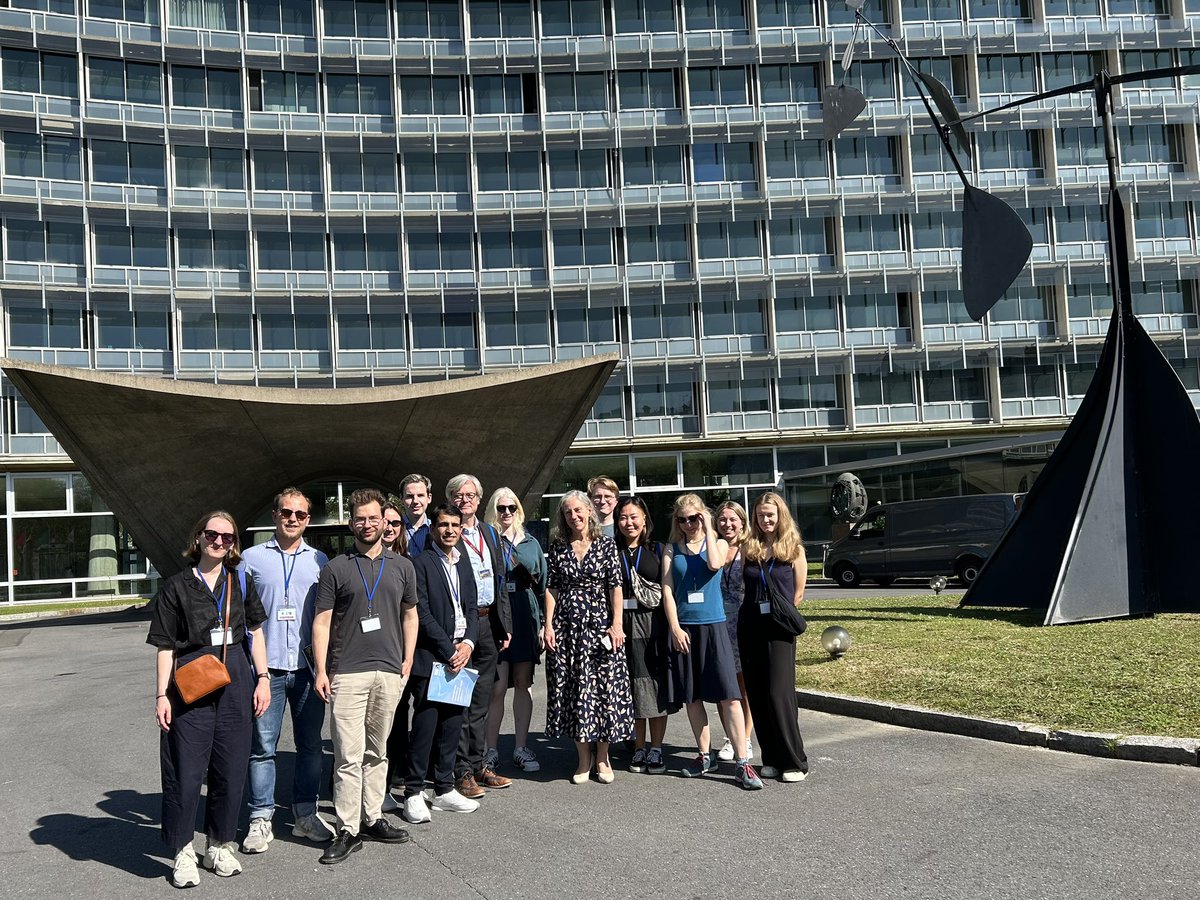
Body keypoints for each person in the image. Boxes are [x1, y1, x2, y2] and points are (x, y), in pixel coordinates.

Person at [148, 511, 271, 888]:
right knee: (185, 771)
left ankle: (219, 843)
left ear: (234, 543)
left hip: (235, 674)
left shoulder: (241, 581)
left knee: (230, 768)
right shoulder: (176, 586)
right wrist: (161, 694)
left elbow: (255, 632)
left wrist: (262, 678)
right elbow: (166, 646)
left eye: (228, 537)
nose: (219, 542)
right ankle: (183, 849)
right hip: (190, 676)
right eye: (213, 535)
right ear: (199, 537)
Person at [313, 488, 419, 864]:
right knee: (347, 755)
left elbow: (410, 615)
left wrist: (407, 660)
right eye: (361, 518)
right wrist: (322, 669)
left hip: (389, 672)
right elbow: (322, 621)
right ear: (351, 523)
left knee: (378, 752)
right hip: (348, 673)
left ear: (385, 521)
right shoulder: (336, 567)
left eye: (375, 518)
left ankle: (373, 817)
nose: (368, 524)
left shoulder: (403, 567)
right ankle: (347, 828)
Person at [241, 488, 334, 855]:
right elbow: (242, 615)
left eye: (300, 514)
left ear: (307, 519)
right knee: (262, 747)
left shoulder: (320, 560)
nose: (292, 518)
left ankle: (305, 814)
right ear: (275, 513)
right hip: (267, 671)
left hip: (308, 669)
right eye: (286, 512)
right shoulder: (250, 558)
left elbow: (327, 617)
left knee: (310, 746)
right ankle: (260, 818)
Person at [661, 494, 760, 790]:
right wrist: (675, 628)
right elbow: (668, 591)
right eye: (683, 519)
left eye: (694, 517)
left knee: (729, 695)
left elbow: (715, 565)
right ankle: (705, 755)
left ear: (703, 516)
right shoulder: (671, 549)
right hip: (685, 628)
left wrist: (708, 528)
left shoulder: (716, 543)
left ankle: (742, 762)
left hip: (714, 625)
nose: (688, 524)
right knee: (692, 696)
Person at [543, 490, 634, 784]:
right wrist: (548, 625)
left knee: (603, 691)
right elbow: (552, 588)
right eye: (569, 512)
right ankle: (583, 759)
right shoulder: (557, 548)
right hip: (568, 629)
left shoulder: (606, 546)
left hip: (600, 628)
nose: (574, 517)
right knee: (572, 691)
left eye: (579, 511)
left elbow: (615, 587)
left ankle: (604, 758)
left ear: (589, 512)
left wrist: (617, 624)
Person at [403, 504, 483, 823]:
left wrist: (468, 644)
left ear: (462, 528)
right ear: (433, 528)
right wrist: (449, 648)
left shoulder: (464, 563)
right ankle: (412, 792)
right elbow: (420, 612)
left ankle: (444, 788)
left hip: (461, 657)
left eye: (455, 525)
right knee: (426, 726)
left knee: (452, 725)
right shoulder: (420, 563)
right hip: (433, 657)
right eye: (443, 524)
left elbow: (474, 609)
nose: (450, 530)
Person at [447, 474, 514, 798]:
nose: (465, 500)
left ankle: (479, 765)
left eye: (471, 494)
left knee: (482, 701)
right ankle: (461, 771)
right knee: (458, 699)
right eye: (459, 495)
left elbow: (500, 579)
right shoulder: (448, 532)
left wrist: (506, 624)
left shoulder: (489, 531)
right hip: (462, 627)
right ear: (451, 499)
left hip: (490, 624)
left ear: (479, 498)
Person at [739, 491, 810, 783]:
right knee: (756, 692)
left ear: (781, 516)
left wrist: (779, 613)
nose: (765, 520)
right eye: (760, 515)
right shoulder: (750, 547)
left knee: (778, 693)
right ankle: (771, 758)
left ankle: (795, 761)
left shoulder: (794, 549)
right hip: (751, 625)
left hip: (779, 628)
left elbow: (798, 593)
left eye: (770, 514)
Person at [482, 488, 547, 774]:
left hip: (526, 614)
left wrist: (545, 623)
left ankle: (521, 747)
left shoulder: (532, 542)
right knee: (497, 686)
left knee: (524, 683)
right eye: (501, 508)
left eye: (511, 507)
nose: (506, 513)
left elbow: (544, 585)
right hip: (499, 615)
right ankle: (490, 750)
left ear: (518, 510)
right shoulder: (487, 540)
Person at [614, 496, 676, 776]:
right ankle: (638, 746)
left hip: (653, 625)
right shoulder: (610, 550)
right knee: (631, 686)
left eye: (634, 517)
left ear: (645, 520)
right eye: (624, 517)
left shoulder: (658, 549)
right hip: (621, 625)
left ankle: (656, 748)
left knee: (653, 683)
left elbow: (667, 590)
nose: (629, 523)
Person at [713, 500, 754, 764]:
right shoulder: (713, 548)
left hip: (743, 623)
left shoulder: (750, 550)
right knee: (722, 686)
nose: (727, 524)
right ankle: (729, 737)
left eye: (732, 519)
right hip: (717, 623)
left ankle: (745, 739)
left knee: (742, 685)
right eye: (723, 520)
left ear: (742, 521)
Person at [400, 474, 433, 557]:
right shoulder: (393, 529)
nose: (415, 501)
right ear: (401, 499)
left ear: (429, 498)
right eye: (410, 496)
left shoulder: (436, 529)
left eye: (420, 495)